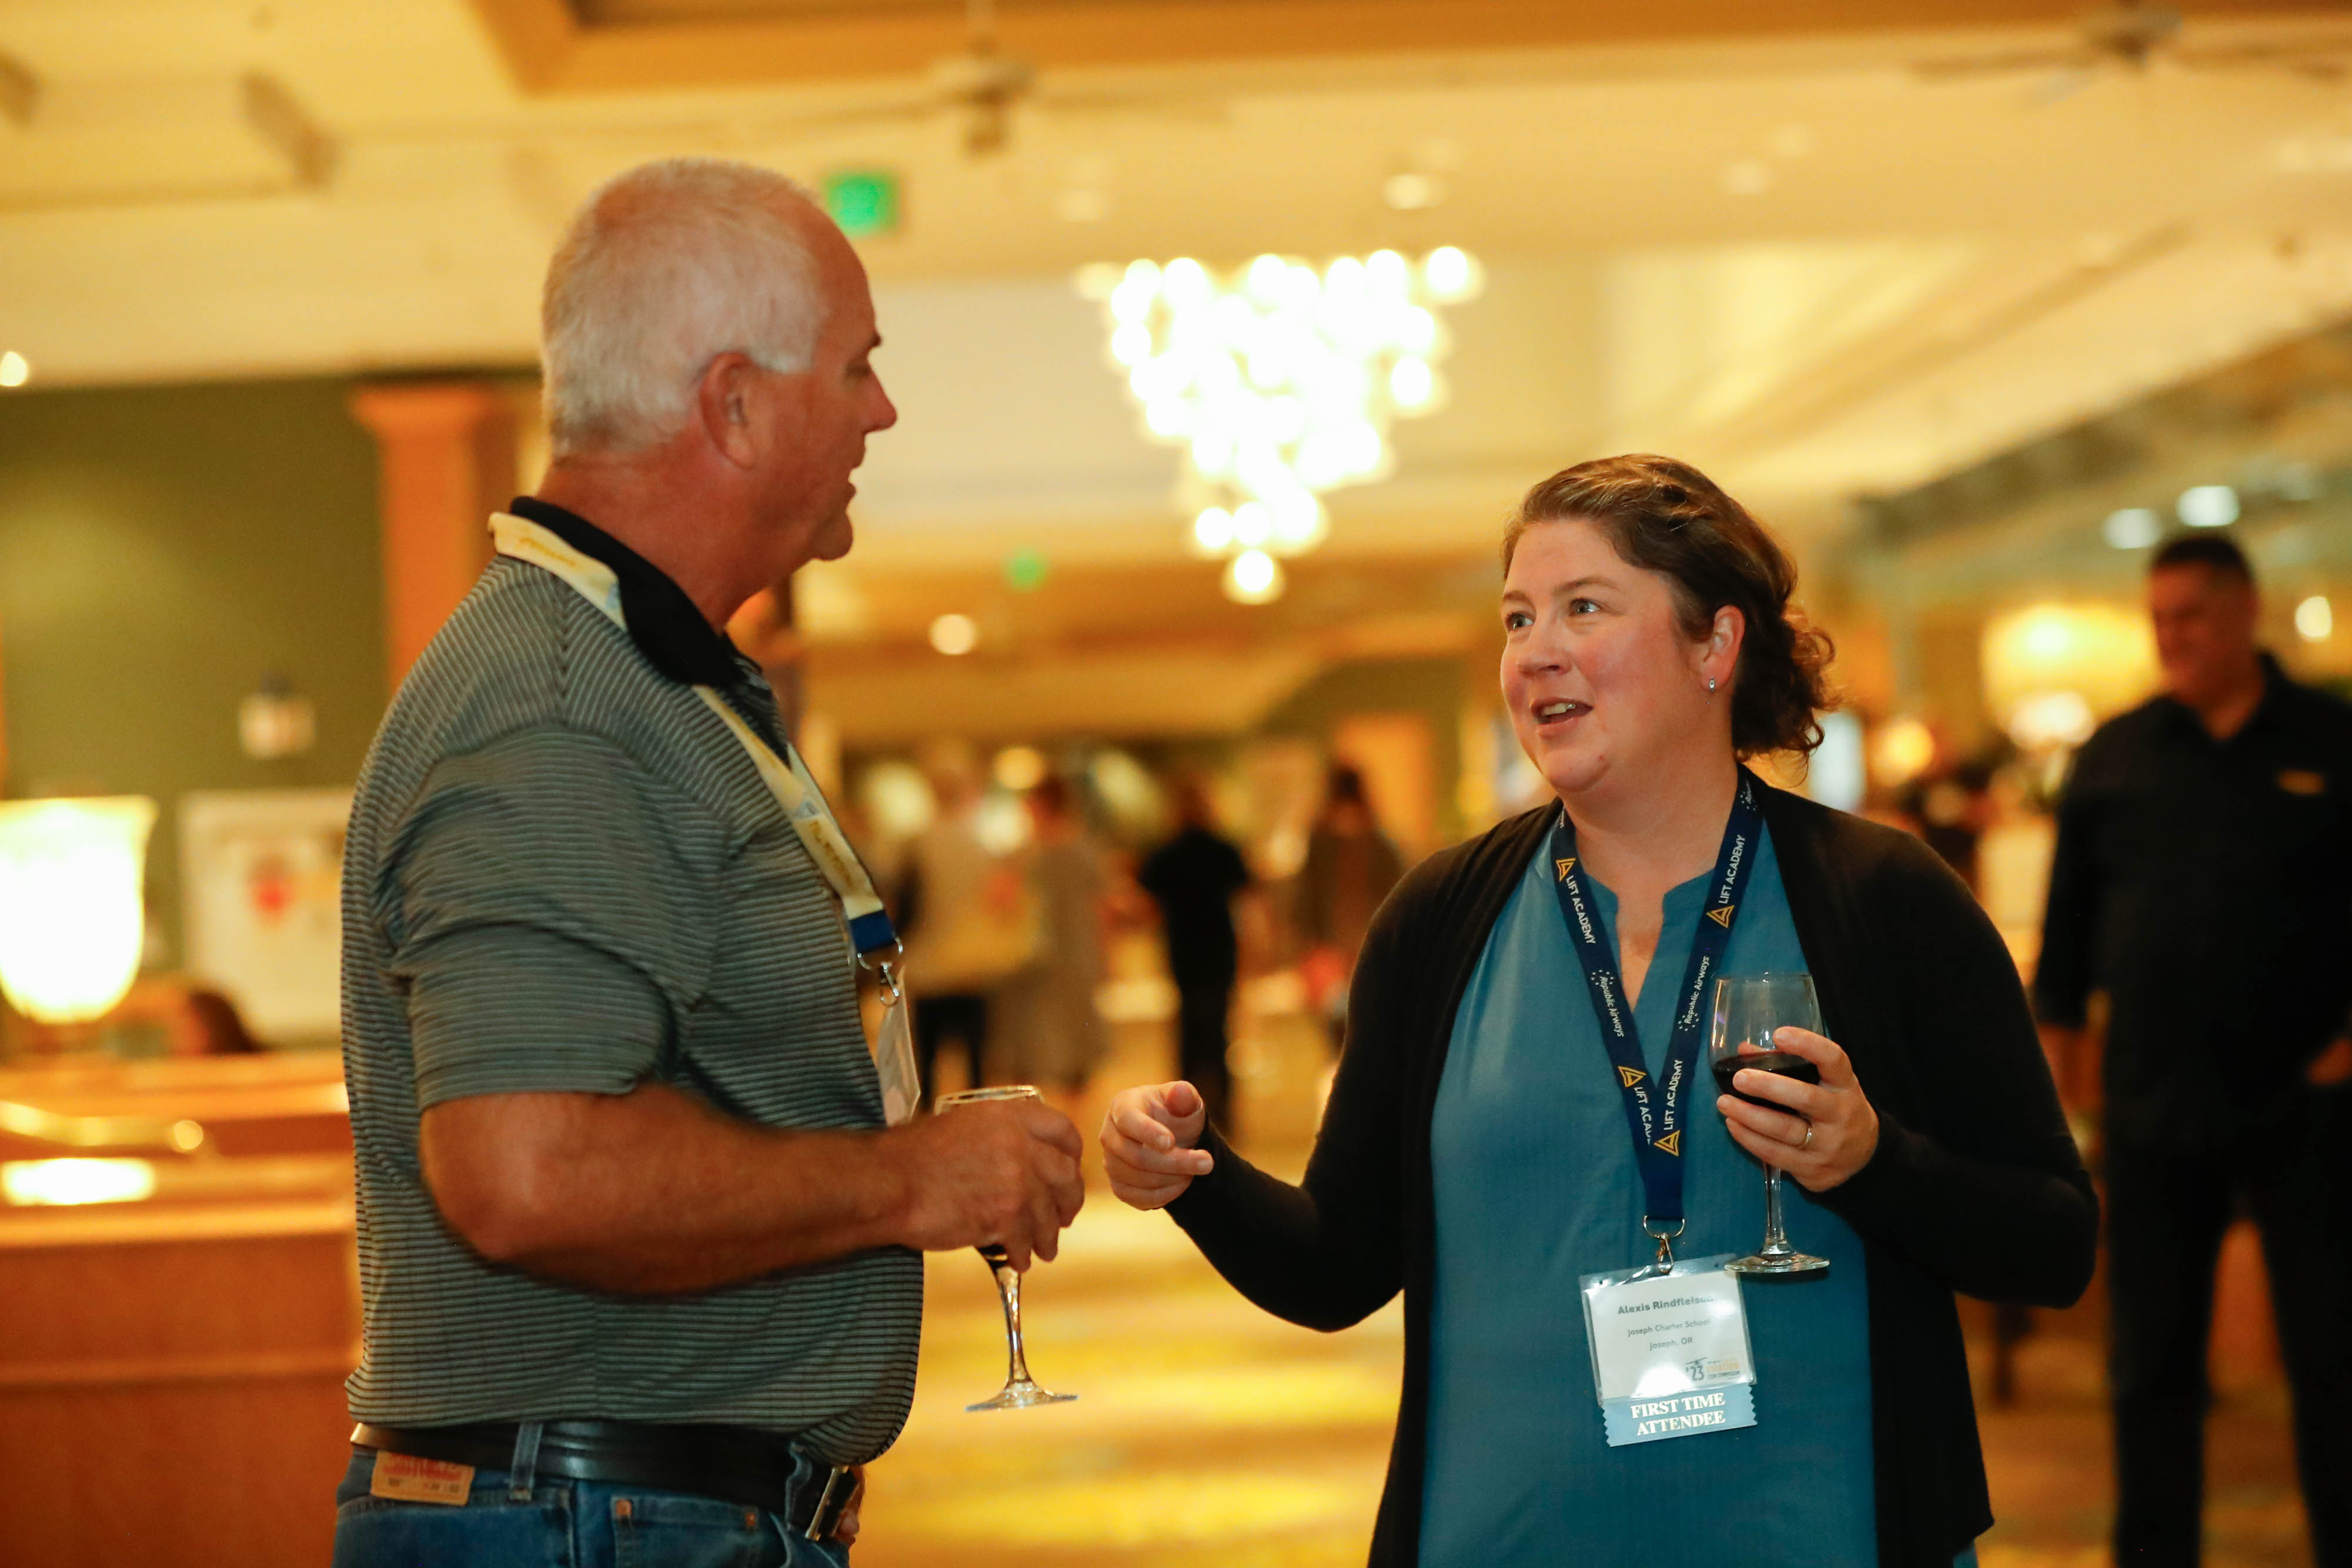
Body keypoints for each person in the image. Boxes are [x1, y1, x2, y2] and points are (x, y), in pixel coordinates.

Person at [1103, 453, 2097, 1568]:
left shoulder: (1884, 902)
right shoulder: (1440, 919)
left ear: (1714, 645)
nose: (1537, 652)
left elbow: (2055, 1242)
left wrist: (1874, 1163)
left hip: (1817, 1533)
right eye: (1519, 618)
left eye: (1585, 607)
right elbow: (1338, 1266)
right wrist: (1194, 1172)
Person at [336, 158, 1084, 1566]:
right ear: (734, 404)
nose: (882, 410)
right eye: (857, 369)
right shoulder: (558, 705)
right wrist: (910, 1181)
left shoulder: (642, 678)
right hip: (588, 1522)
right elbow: (528, 1170)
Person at [2034, 532, 2352, 1568]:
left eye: (2193, 617)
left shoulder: (2332, 738)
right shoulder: (2118, 753)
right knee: (2150, 1370)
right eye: (2159, 619)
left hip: (2309, 1104)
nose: (2173, 638)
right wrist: (2071, 1114)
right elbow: (2069, 948)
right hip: (2153, 1104)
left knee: (2334, 1360)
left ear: (2245, 611)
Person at [897, 744, 1034, 1104]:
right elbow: (1003, 906)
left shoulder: (918, 844)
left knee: (925, 1065)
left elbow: (906, 911)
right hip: (974, 968)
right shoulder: (983, 846)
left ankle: (927, 1145)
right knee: (976, 1069)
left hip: (929, 966)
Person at [1136, 777, 1251, 1135]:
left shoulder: (1167, 854)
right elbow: (1248, 899)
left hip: (1184, 951)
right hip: (1219, 950)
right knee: (1219, 1031)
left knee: (1188, 1032)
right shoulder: (1223, 850)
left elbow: (1145, 902)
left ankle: (1187, 1112)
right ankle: (1225, 1113)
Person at [995, 774, 1114, 1105]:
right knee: (1076, 1043)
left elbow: (1000, 901)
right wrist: (1106, 955)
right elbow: (1101, 909)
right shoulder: (1084, 849)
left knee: (1030, 1045)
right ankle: (1073, 1121)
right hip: (1073, 956)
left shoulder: (1025, 855)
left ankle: (1035, 1119)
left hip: (1037, 959)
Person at [1295, 763, 1406, 1051]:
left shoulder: (1322, 838)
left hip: (1334, 944)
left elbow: (1307, 897)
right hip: (1366, 941)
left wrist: (1307, 943)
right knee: (1368, 1025)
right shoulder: (1377, 839)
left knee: (1341, 1029)